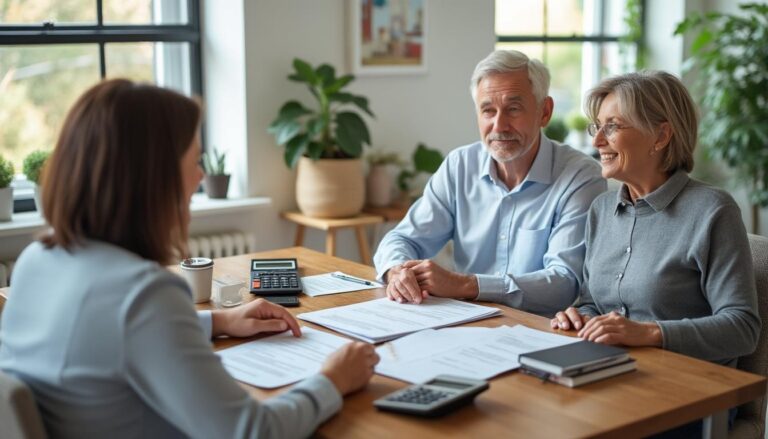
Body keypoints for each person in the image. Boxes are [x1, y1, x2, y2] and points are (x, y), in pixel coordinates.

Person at [0, 79, 379, 438]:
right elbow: (253, 431)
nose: (200, 176)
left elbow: (111, 338)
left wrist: (219, 321)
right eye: (194, 160)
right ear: (154, 176)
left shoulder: (37, 261)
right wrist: (333, 380)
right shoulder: (144, 293)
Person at [550, 70, 761, 438]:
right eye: (596, 127)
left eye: (612, 126)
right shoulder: (601, 209)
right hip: (612, 378)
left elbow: (742, 329)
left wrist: (649, 333)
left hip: (691, 396)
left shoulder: (713, 210)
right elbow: (591, 302)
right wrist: (579, 318)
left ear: (661, 136)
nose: (598, 140)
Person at [373, 50, 606, 316]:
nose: (499, 125)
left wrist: (466, 285)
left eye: (513, 109)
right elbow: (402, 238)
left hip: (539, 330)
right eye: (488, 110)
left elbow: (564, 282)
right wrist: (397, 271)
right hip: (462, 322)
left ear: (545, 112)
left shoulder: (581, 177)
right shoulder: (460, 165)